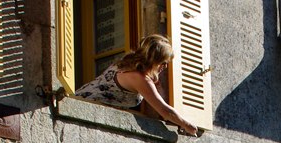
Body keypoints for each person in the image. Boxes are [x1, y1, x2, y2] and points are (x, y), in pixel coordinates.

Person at [74, 34, 202, 137]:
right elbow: (165, 111)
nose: (165, 67)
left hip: (79, 100)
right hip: (82, 112)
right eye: (163, 63)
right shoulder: (139, 79)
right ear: (154, 60)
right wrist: (187, 125)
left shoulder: (126, 63)